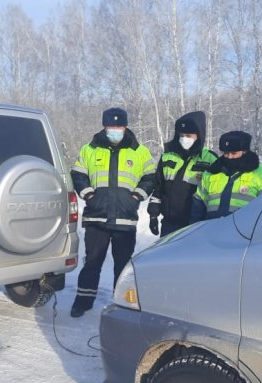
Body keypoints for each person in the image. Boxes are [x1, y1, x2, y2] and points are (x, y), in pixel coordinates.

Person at [70, 107, 156, 318]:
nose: (114, 131)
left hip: (125, 219)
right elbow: (78, 174)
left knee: (123, 266)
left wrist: (136, 197)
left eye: (118, 127)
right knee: (92, 263)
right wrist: (89, 195)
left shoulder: (139, 151)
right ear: (105, 127)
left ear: (125, 127)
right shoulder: (90, 149)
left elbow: (151, 177)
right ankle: (83, 301)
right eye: (111, 127)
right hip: (96, 217)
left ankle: (123, 306)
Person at [147, 111, 218, 236]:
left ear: (199, 136)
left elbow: (213, 195)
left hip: (195, 224)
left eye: (189, 135)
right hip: (169, 223)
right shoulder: (167, 157)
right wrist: (153, 215)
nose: (184, 139)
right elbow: (158, 189)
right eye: (182, 135)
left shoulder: (210, 160)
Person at [190, 131, 262, 222]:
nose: (229, 157)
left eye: (234, 153)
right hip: (212, 231)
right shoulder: (211, 173)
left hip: (246, 233)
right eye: (226, 153)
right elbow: (198, 207)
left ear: (244, 152)